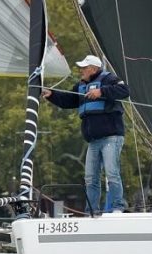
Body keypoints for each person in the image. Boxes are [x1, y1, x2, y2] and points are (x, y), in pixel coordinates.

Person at [42, 54, 130, 214]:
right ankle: (92, 211)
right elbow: (68, 100)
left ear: (94, 69)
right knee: (90, 179)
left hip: (111, 137)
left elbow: (125, 90)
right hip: (93, 140)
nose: (81, 70)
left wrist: (101, 91)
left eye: (84, 67)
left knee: (112, 173)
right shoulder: (81, 86)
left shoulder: (109, 79)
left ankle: (118, 207)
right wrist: (52, 95)